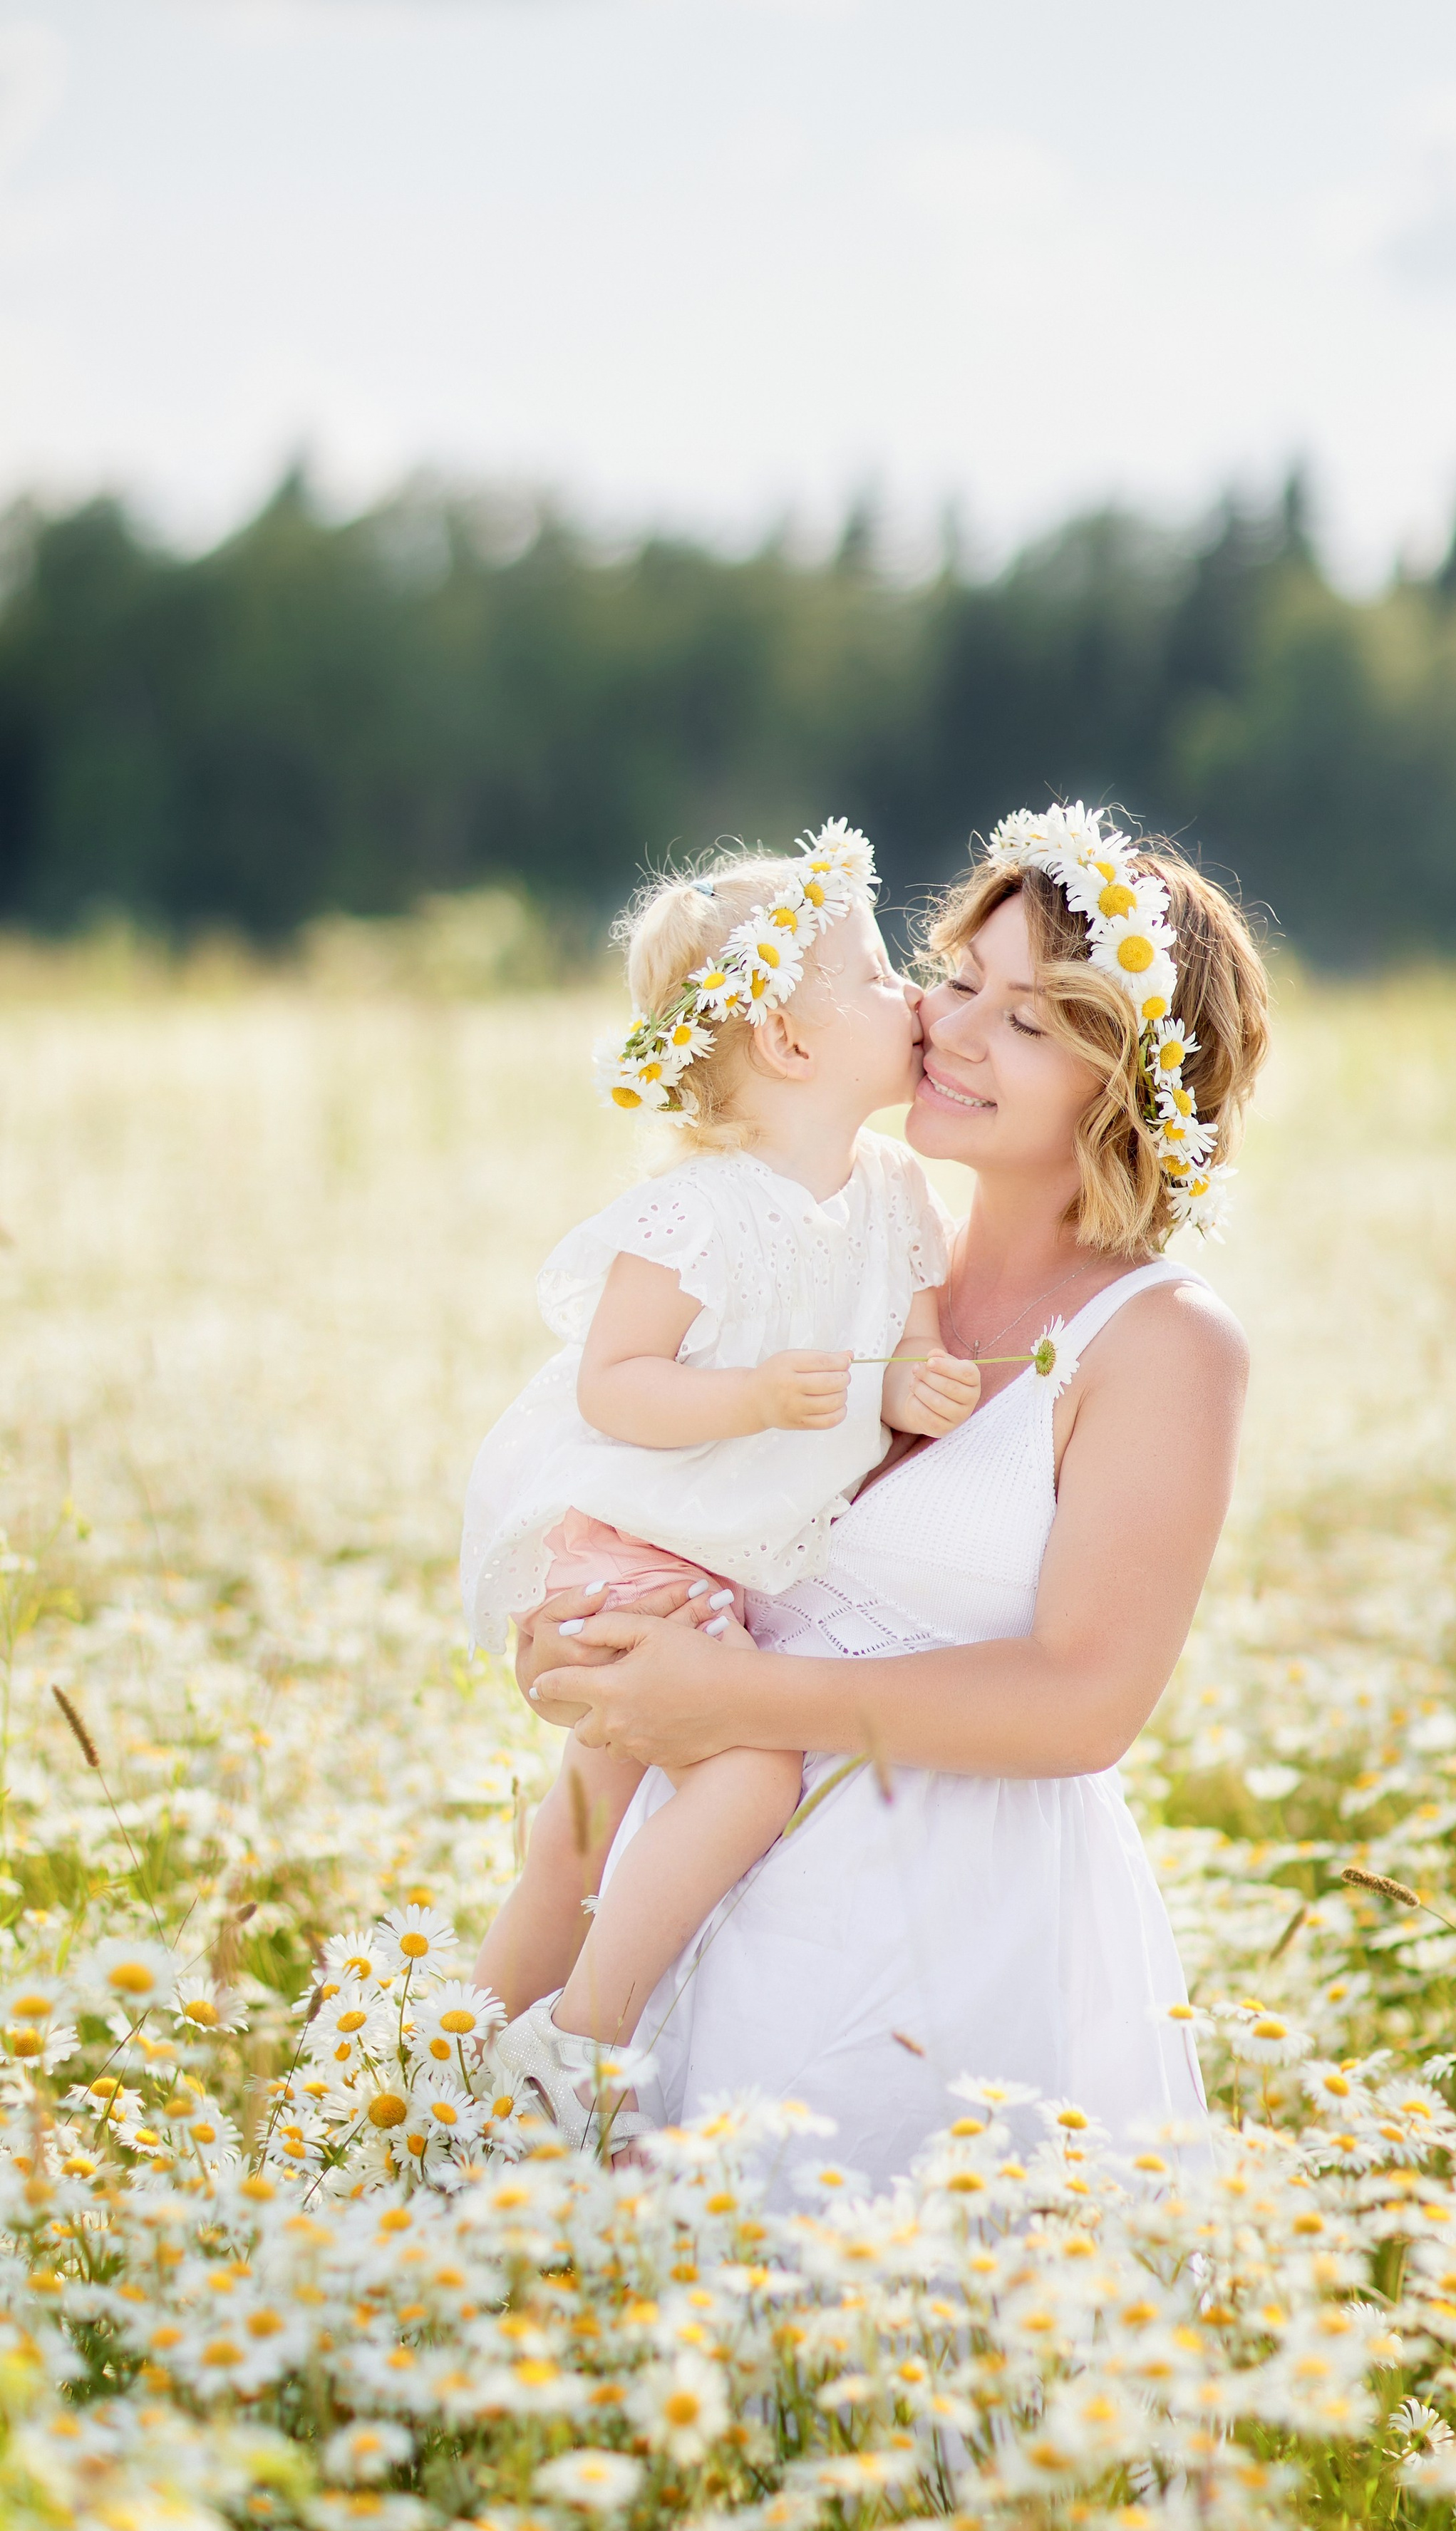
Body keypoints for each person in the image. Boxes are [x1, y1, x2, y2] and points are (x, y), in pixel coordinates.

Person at [514, 803, 1269, 2185]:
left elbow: (1083, 1705)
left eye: (1028, 1022)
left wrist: (731, 1702)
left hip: (951, 1955)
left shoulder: (1161, 1343)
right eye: (955, 977)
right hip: (693, 1913)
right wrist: (581, 1640)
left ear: (1130, 1083)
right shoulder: (838, 1239)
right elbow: (657, 1485)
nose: (948, 1025)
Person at [465, 822, 979, 2137]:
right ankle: (579, 2046)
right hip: (641, 1542)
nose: (914, 995)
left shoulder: (895, 1194)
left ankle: (467, 2063)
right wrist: (745, 1398)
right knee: (729, 1778)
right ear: (792, 1045)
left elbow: (911, 1340)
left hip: (734, 1567)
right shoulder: (699, 1211)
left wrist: (915, 1380)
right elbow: (615, 1383)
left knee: (588, 1800)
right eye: (876, 975)